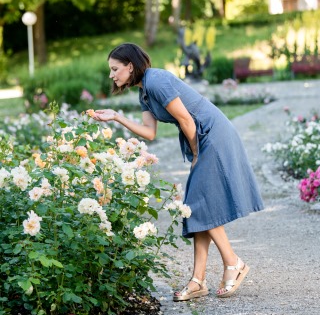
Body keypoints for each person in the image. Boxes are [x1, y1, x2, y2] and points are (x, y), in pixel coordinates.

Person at [88, 43, 264, 301]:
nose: (112, 75)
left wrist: (196, 155)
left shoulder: (156, 79)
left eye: (115, 69)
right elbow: (150, 132)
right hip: (202, 138)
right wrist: (116, 117)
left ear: (130, 66)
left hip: (212, 136)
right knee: (195, 205)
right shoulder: (144, 93)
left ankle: (233, 263)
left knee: (197, 202)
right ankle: (198, 280)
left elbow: (186, 120)